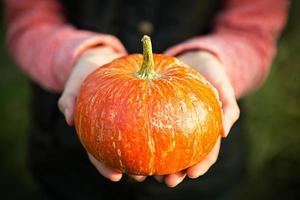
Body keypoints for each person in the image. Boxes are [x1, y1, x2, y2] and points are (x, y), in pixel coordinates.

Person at [5, 0, 289, 199]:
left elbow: (252, 31)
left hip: (203, 181)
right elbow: (28, 20)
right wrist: (79, 56)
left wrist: (217, 58)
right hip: (67, 162)